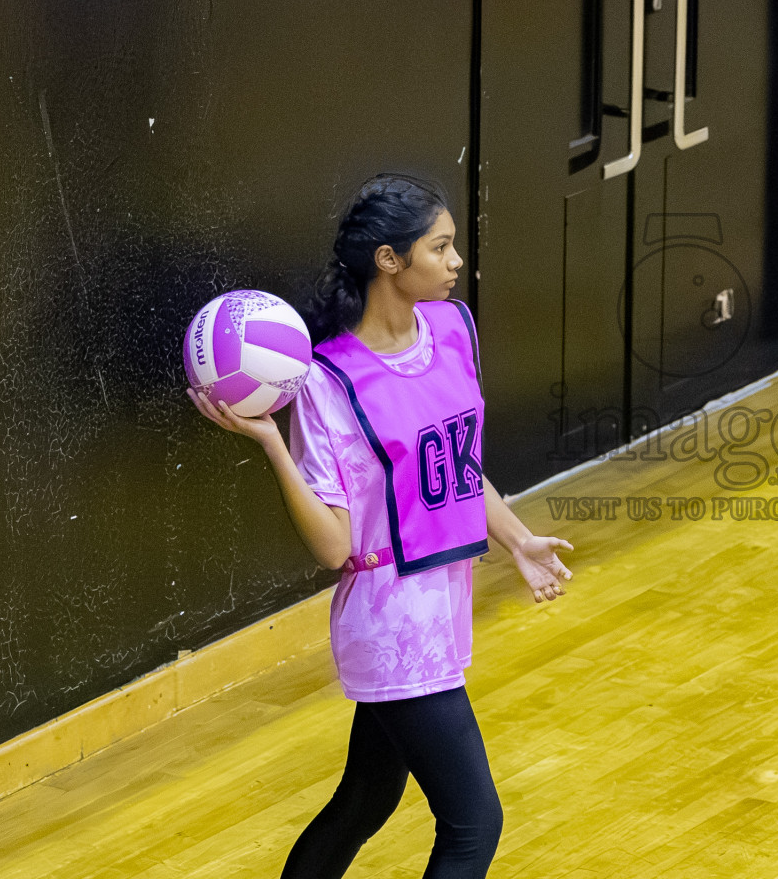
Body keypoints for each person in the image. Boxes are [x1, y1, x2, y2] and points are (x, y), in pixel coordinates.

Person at [187, 173, 574, 879]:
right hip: (392, 622)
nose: (458, 261)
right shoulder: (329, 383)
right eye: (442, 246)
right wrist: (275, 443)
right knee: (474, 824)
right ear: (391, 261)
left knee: (364, 800)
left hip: (444, 608)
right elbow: (335, 546)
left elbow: (455, 468)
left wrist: (518, 539)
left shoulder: (453, 329)